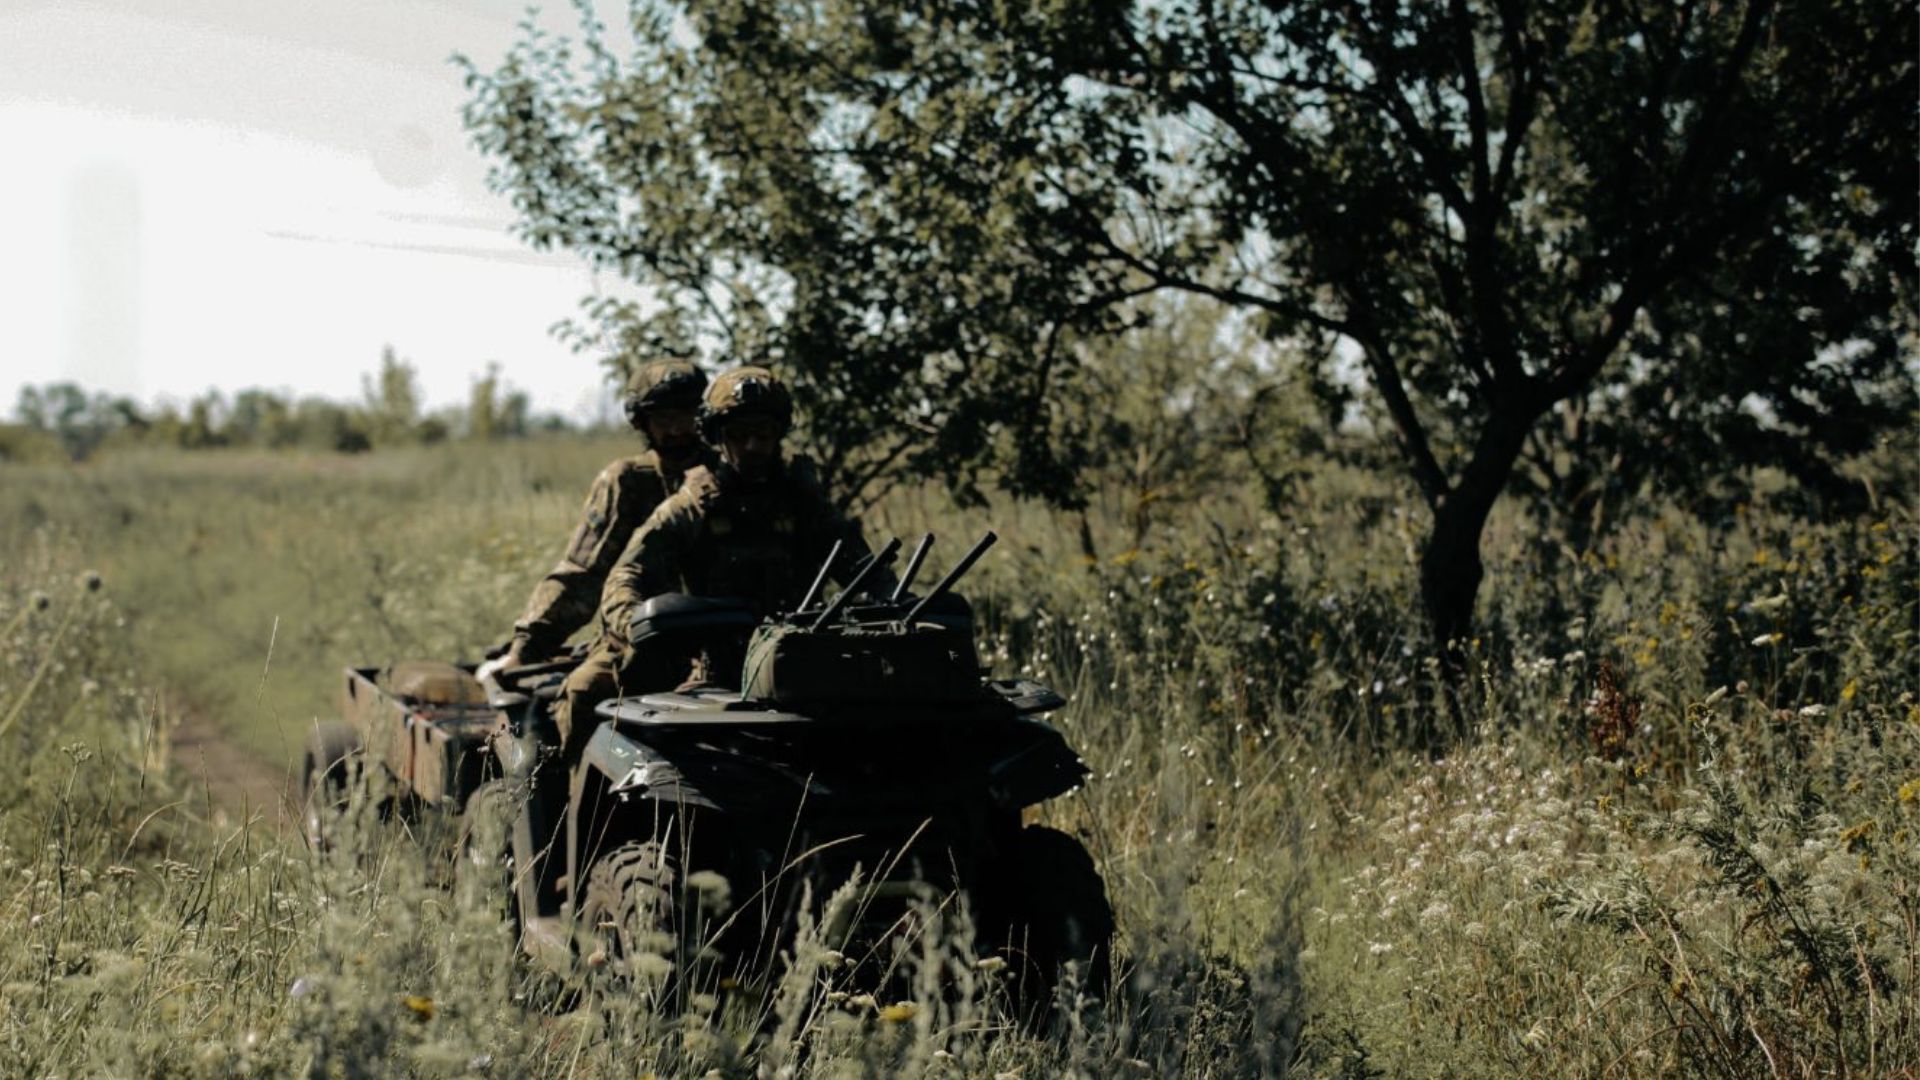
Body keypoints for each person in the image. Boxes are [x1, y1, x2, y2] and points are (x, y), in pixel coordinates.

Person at [552, 365, 892, 758]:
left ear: (779, 434)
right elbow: (626, 575)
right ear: (716, 437)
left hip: (801, 664)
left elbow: (869, 576)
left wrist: (892, 610)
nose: (752, 446)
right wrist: (639, 623)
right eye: (739, 434)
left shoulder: (805, 502)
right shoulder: (693, 504)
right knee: (587, 694)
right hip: (710, 668)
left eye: (763, 434)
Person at [481, 360, 713, 680]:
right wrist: (525, 650)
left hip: (726, 640)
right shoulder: (628, 482)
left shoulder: (732, 474)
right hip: (644, 642)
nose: (676, 430)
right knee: (581, 692)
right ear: (642, 423)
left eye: (686, 416)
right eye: (663, 419)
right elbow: (582, 575)